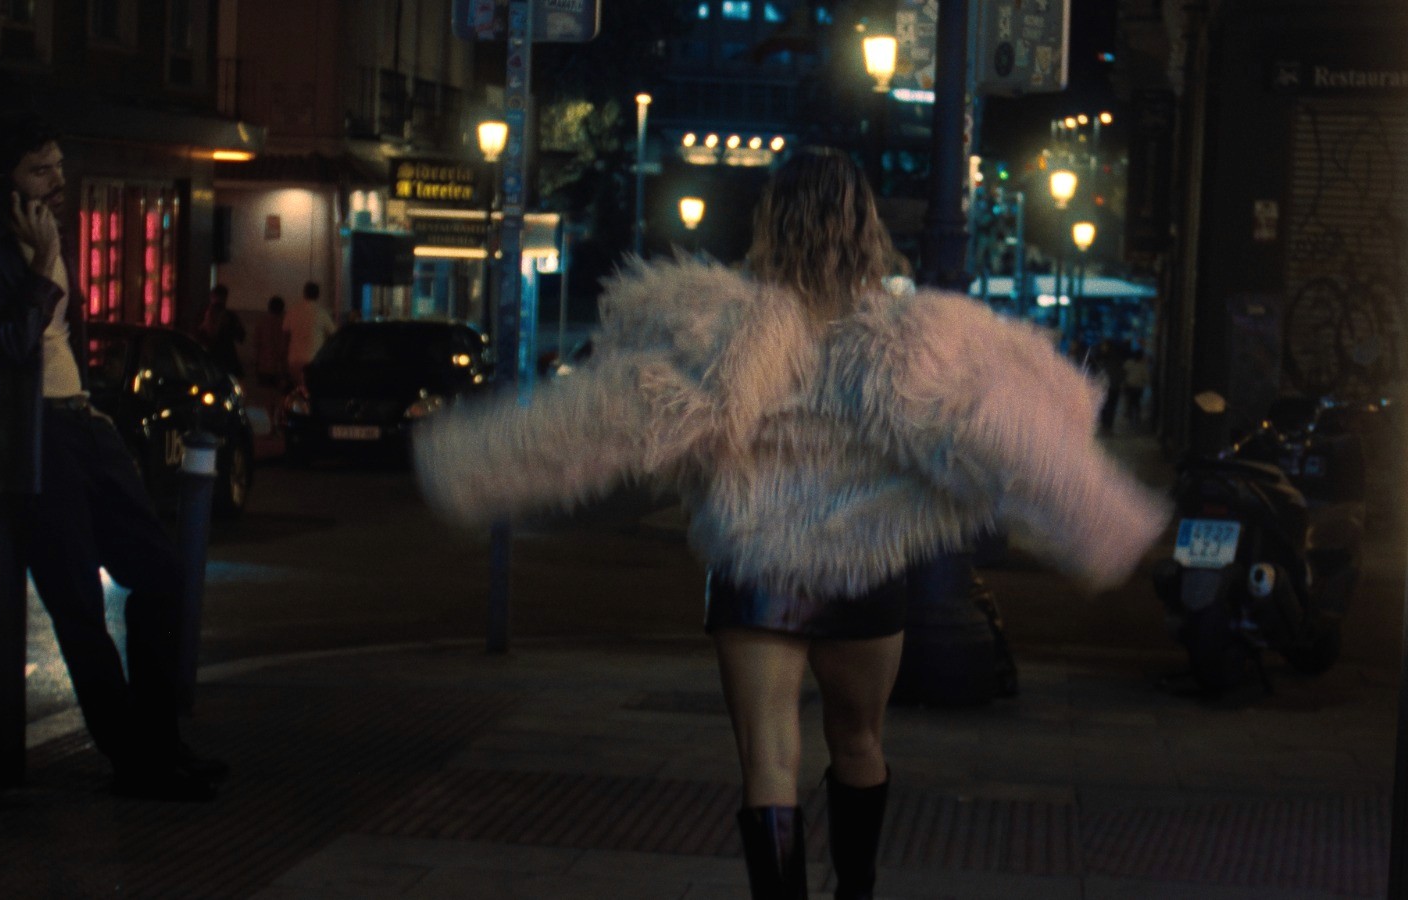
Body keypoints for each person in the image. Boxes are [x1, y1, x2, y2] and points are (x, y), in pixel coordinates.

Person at [412, 148, 1168, 899]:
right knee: (860, 742)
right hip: (863, 567)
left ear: (771, 220)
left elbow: (601, 419)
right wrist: (1106, 519)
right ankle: (856, 894)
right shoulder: (917, 341)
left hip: (755, 566)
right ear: (866, 225)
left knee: (768, 763)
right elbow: (1012, 431)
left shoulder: (716, 328)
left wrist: (476, 461)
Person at [0, 111, 225, 802]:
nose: (58, 181)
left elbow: (63, 343)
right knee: (77, 607)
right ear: (4, 179)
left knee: (162, 575)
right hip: (28, 437)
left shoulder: (52, 233)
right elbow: (10, 342)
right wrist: (40, 269)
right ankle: (136, 762)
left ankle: (159, 744)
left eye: (60, 166)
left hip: (79, 423)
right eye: (42, 170)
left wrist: (91, 405)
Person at [284, 280, 335, 387]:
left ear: (304, 293)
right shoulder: (321, 313)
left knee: (298, 389)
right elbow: (333, 334)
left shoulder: (293, 311)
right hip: (314, 359)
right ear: (318, 295)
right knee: (313, 389)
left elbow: (286, 335)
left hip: (294, 359)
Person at [195, 283, 245, 378]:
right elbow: (241, 336)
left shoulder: (203, 313)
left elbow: (196, 334)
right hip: (226, 358)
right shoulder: (230, 316)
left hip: (209, 356)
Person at [252, 295, 290, 391]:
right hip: (281, 366)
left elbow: (256, 344)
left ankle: (269, 406)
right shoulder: (285, 323)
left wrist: (256, 363)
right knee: (281, 394)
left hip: (264, 364)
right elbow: (287, 345)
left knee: (267, 393)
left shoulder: (262, 322)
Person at [1123, 348, 1151, 426]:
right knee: (1136, 403)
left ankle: (1131, 417)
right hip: (1138, 387)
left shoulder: (1129, 363)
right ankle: (1136, 418)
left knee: (1130, 402)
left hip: (1130, 386)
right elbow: (1146, 378)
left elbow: (1124, 372)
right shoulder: (1143, 365)